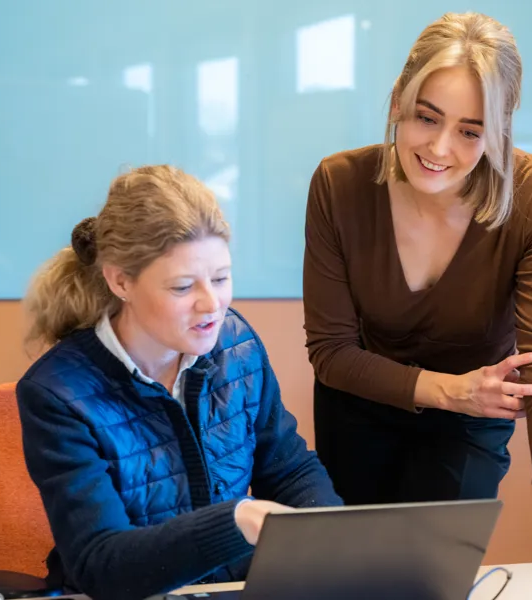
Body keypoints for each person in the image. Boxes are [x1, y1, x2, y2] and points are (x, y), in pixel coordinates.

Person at [302, 11, 532, 575]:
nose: (440, 148)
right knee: (346, 576)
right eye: (427, 118)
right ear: (399, 98)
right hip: (360, 407)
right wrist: (451, 390)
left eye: (470, 131)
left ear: (498, 129)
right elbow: (331, 353)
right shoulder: (339, 184)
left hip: (471, 423)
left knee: (428, 575)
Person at [17, 165, 342, 600]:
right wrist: (236, 521)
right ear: (120, 280)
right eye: (183, 286)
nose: (212, 304)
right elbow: (101, 563)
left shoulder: (236, 344)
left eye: (222, 278)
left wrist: (333, 540)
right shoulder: (58, 393)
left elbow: (288, 468)